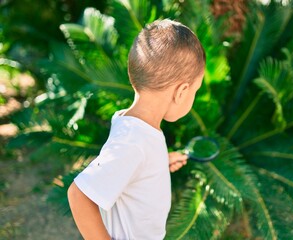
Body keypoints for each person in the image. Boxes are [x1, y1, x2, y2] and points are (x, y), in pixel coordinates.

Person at [67, 18, 206, 240]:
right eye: (195, 91)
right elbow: (78, 195)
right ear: (181, 92)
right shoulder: (133, 142)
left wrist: (159, 163)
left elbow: (131, 165)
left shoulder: (139, 129)